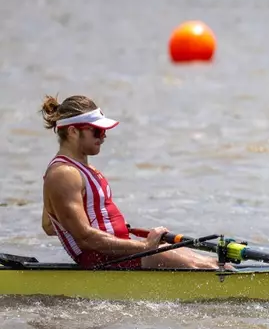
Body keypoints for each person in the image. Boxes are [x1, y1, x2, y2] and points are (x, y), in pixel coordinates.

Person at [39, 95, 218, 269]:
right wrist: (145, 247)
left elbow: (49, 225)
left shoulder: (81, 170)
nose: (103, 137)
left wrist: (128, 233)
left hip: (117, 252)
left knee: (210, 261)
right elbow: (85, 238)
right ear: (72, 131)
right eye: (97, 131)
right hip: (103, 260)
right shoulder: (63, 174)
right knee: (204, 266)